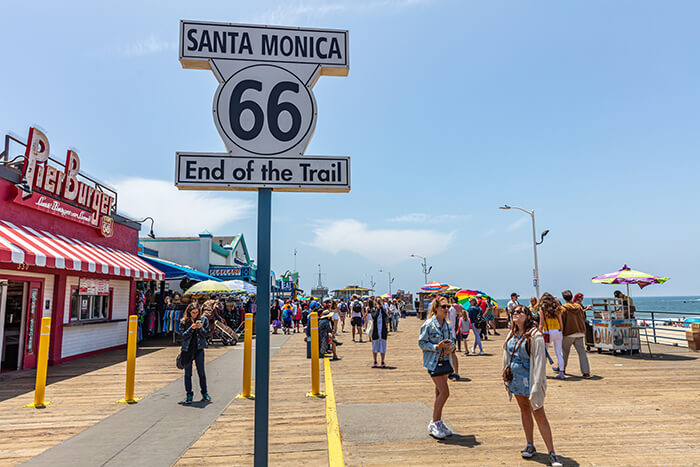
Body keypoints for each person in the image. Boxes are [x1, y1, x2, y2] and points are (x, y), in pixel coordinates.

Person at [502, 305, 563, 467]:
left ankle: (552, 452)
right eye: (514, 312)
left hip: (530, 380)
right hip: (515, 379)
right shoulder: (512, 333)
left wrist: (537, 385)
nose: (516, 314)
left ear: (528, 316)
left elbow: (540, 362)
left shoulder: (535, 336)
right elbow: (507, 355)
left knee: (539, 413)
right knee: (523, 409)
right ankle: (530, 444)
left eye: (520, 312)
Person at [419, 296, 456, 440]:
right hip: (433, 362)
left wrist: (450, 347)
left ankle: (438, 421)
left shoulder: (447, 325)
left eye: (448, 307)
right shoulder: (428, 324)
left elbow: (452, 340)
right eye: (444, 307)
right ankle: (434, 422)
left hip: (445, 362)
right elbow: (422, 343)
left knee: (438, 393)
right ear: (436, 308)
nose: (447, 309)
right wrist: (436, 347)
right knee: (445, 393)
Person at [179, 304, 211, 404]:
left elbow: (206, 334)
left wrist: (201, 328)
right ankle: (189, 394)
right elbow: (182, 336)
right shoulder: (183, 321)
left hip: (199, 348)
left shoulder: (203, 319)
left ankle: (204, 392)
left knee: (201, 372)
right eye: (193, 313)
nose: (195, 315)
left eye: (197, 312)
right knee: (188, 373)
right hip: (187, 350)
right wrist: (191, 328)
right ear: (189, 312)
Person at [560, 290, 591, 378]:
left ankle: (562, 369)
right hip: (579, 332)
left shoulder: (563, 308)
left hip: (568, 333)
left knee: (565, 352)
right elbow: (583, 318)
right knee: (582, 353)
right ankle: (586, 372)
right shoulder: (579, 307)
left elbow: (562, 321)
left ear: (564, 298)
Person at [539, 293, 565, 379]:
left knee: (544, 353)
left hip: (548, 332)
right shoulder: (557, 308)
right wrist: (561, 330)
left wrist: (539, 332)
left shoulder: (542, 309)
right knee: (558, 353)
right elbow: (560, 321)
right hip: (558, 331)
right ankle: (561, 372)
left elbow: (541, 324)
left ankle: (542, 373)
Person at [368, 298, 389, 367]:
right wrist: (378, 309)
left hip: (383, 331)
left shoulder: (383, 310)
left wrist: (381, 308)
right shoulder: (373, 310)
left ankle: (382, 361)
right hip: (375, 331)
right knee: (375, 347)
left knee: (383, 347)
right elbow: (374, 316)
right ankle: (375, 361)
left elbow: (386, 316)